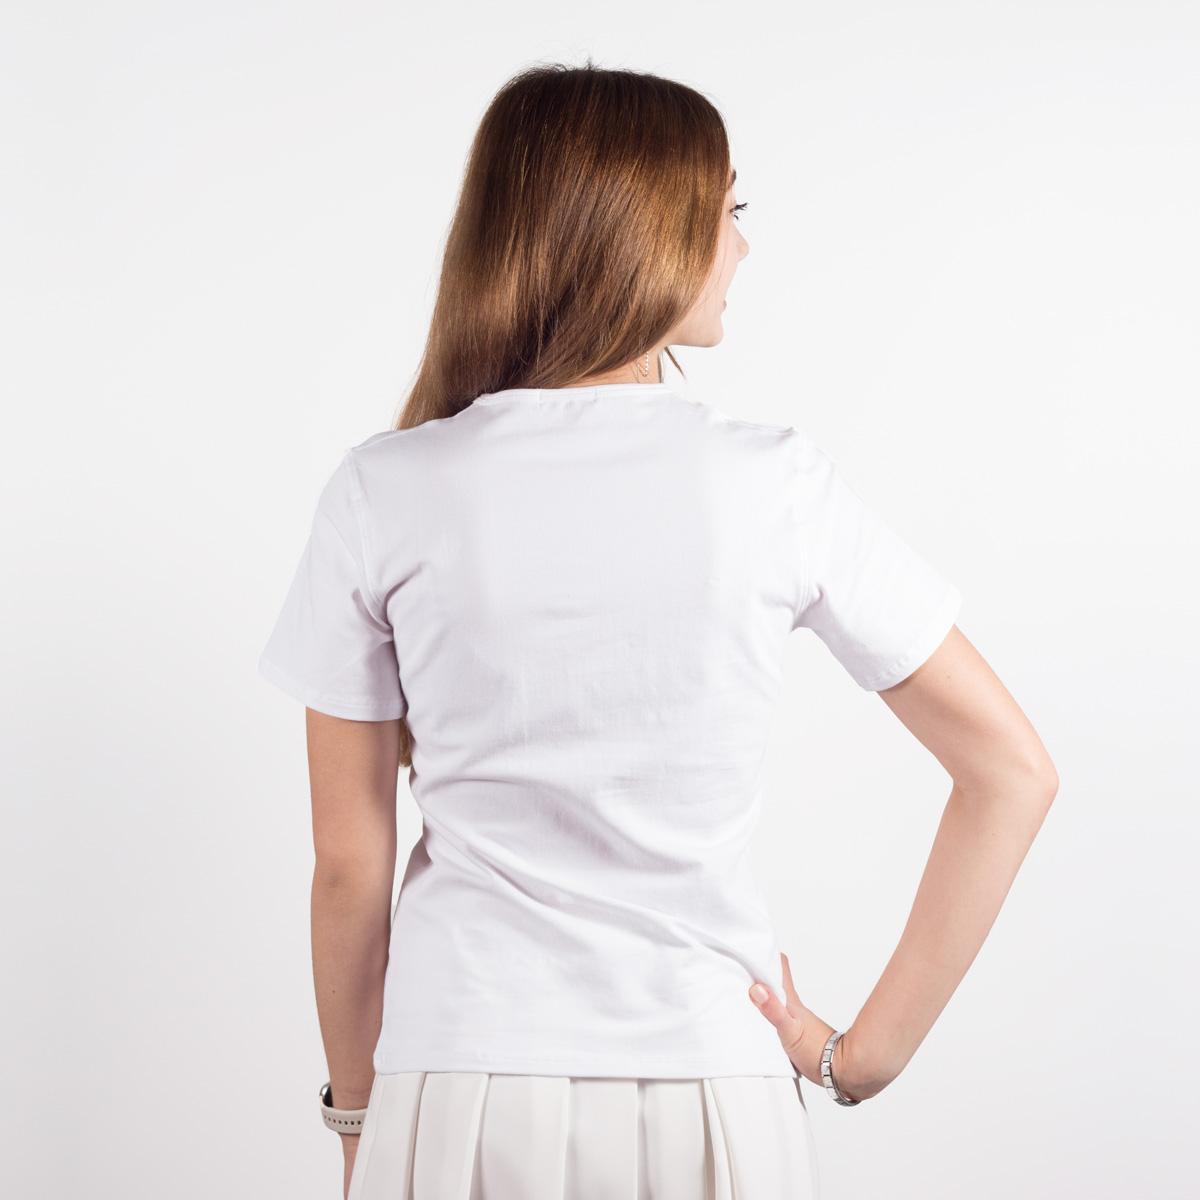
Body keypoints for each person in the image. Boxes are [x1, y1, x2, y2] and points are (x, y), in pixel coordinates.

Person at [258, 60, 1058, 1200]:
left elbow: (349, 866)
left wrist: (356, 1121)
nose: (744, 245)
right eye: (727, 210)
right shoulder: (773, 486)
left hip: (460, 1082)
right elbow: (1012, 771)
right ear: (638, 228)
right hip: (714, 1084)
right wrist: (862, 1056)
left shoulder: (383, 490)